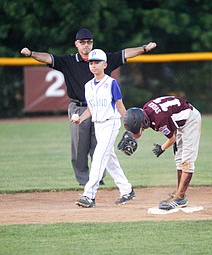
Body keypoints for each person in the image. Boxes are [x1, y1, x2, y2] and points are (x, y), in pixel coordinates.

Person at [20, 28, 157, 186]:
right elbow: (48, 58)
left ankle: (98, 179)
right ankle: (83, 180)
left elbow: (124, 54)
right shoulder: (69, 61)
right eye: (82, 42)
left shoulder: (102, 59)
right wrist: (31, 53)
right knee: (79, 147)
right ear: (76, 44)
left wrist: (144, 48)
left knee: (99, 145)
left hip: (102, 108)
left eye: (89, 42)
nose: (86, 45)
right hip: (78, 108)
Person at [71, 49, 134, 207]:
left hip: (111, 123)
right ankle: (127, 190)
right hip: (98, 125)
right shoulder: (88, 86)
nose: (93, 65)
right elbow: (90, 110)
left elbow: (120, 106)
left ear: (105, 64)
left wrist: (129, 129)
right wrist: (80, 119)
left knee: (99, 157)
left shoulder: (111, 83)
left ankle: (89, 195)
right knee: (109, 160)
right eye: (91, 63)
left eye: (97, 62)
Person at [123, 96, 201, 210]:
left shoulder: (159, 120)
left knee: (187, 161)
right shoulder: (146, 109)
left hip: (190, 120)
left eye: (140, 128)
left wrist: (161, 148)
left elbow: (172, 138)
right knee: (179, 159)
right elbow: (171, 115)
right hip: (181, 121)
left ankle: (179, 198)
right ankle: (180, 194)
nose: (141, 130)